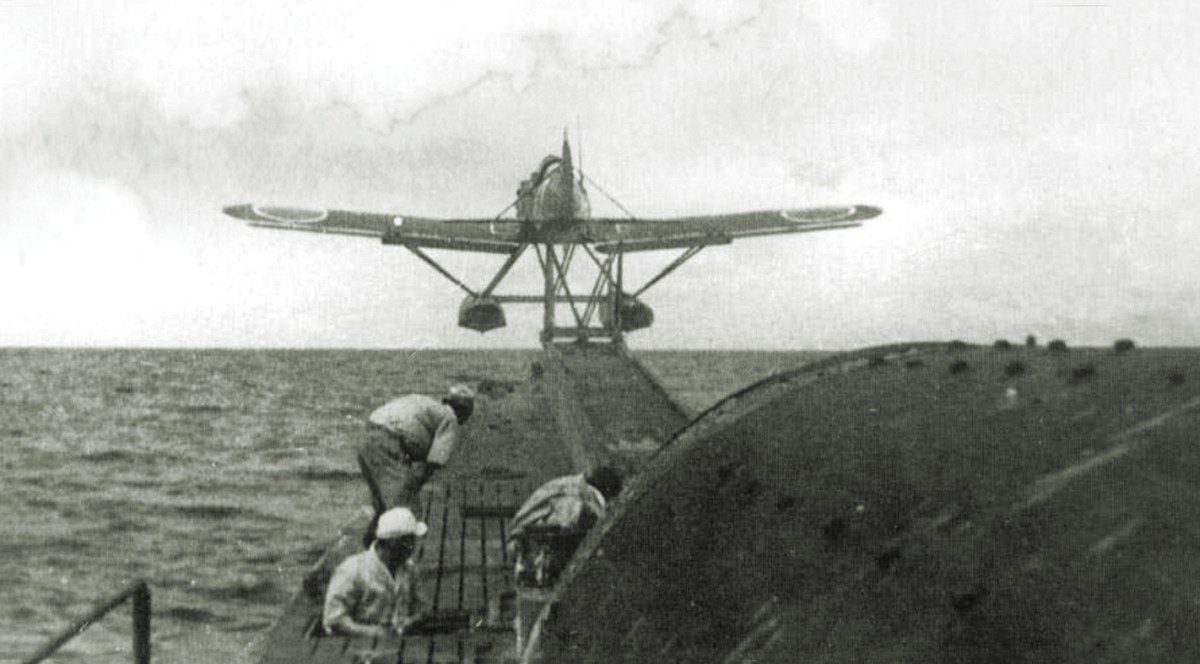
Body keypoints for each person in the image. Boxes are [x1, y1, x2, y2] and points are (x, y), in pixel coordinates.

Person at [357, 385, 475, 515]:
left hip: (367, 436)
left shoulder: (424, 403)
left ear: (445, 400)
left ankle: (377, 528)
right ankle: (399, 532)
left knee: (381, 502)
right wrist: (412, 488)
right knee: (405, 508)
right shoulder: (450, 418)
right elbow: (433, 463)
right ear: (466, 411)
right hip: (388, 442)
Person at [323, 507, 430, 637]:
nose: (414, 546)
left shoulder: (410, 569)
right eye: (410, 540)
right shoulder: (351, 571)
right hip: (356, 646)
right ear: (393, 542)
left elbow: (421, 608)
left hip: (402, 643)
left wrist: (411, 621)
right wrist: (372, 632)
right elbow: (334, 619)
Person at [508, 466, 623, 587]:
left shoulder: (569, 486)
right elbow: (566, 524)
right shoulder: (573, 497)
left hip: (529, 539)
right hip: (534, 544)